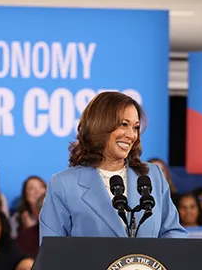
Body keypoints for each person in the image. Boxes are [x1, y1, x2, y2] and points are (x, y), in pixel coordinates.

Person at [39, 92, 186, 240]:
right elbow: (52, 250)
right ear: (100, 126)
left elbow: (173, 232)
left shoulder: (152, 175)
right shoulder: (64, 184)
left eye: (135, 127)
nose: (131, 135)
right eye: (124, 124)